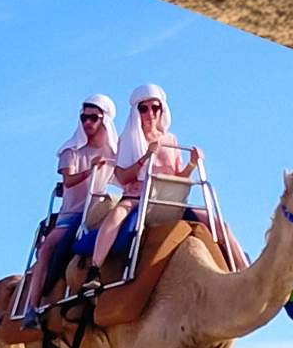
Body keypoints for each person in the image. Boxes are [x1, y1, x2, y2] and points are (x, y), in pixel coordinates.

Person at [87, 84, 244, 283]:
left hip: (171, 200)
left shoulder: (170, 139)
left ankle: (244, 269)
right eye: (144, 108)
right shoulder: (129, 139)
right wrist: (146, 156)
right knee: (117, 215)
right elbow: (123, 176)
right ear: (137, 112)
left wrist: (192, 164)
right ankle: (94, 269)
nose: (150, 113)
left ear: (162, 110)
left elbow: (179, 177)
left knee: (217, 222)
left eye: (155, 108)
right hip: (138, 198)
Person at [21, 94, 118, 327]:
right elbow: (69, 181)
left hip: (102, 209)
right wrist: (90, 171)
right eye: (84, 117)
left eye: (93, 118)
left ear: (104, 120)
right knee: (47, 249)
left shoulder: (115, 150)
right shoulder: (71, 150)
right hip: (72, 214)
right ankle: (31, 308)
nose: (87, 123)